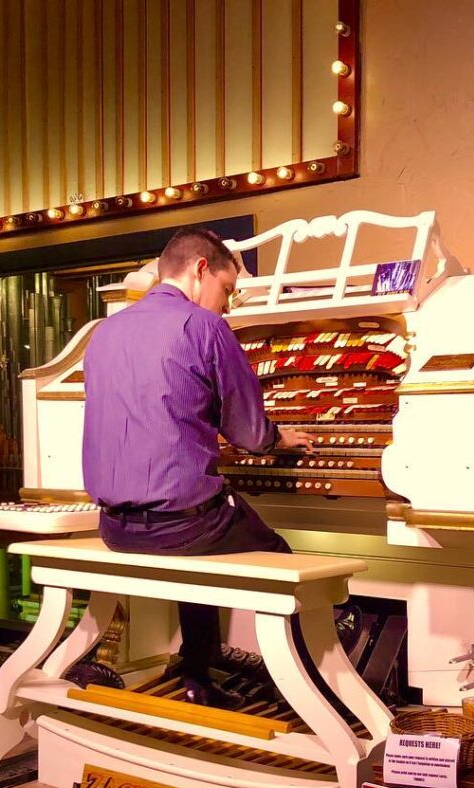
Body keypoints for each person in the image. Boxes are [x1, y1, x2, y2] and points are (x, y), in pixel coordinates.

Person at [82, 226, 312, 709]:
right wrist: (278, 438)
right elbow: (250, 435)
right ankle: (303, 689)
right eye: (227, 290)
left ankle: (197, 672)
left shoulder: (105, 332)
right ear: (200, 269)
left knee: (201, 534)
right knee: (283, 554)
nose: (227, 305)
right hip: (183, 527)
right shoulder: (206, 327)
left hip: (115, 528)